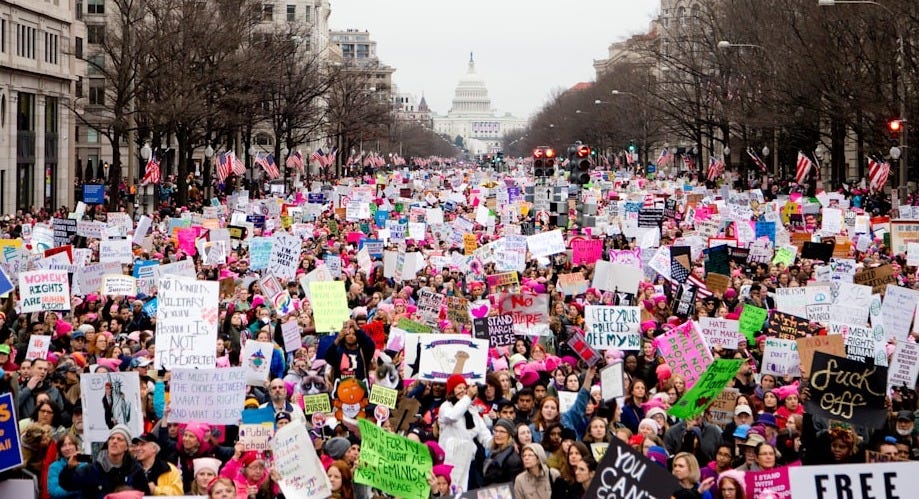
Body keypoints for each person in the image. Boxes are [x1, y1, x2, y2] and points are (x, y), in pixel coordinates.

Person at [59, 424, 149, 498]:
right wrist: (69, 468)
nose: (114, 441)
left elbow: (144, 494)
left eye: (119, 439)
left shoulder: (135, 470)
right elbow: (67, 485)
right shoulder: (92, 469)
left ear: (126, 447)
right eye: (112, 438)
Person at [438, 374, 492, 491]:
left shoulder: (472, 410)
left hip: (468, 461)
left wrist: (496, 444)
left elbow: (483, 433)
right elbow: (453, 416)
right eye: (459, 388)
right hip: (449, 461)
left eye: (464, 388)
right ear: (452, 390)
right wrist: (468, 397)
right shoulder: (446, 407)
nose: (462, 391)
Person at [482, 418, 523, 486]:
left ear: (510, 435)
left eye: (502, 432)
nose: (497, 434)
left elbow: (513, 485)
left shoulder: (513, 458)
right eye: (496, 431)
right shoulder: (494, 451)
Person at [46, 433, 82, 499]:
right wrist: (78, 487)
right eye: (63, 445)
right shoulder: (54, 467)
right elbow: (54, 492)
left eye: (70, 444)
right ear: (60, 450)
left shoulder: (84, 465)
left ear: (76, 446)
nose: (67, 448)